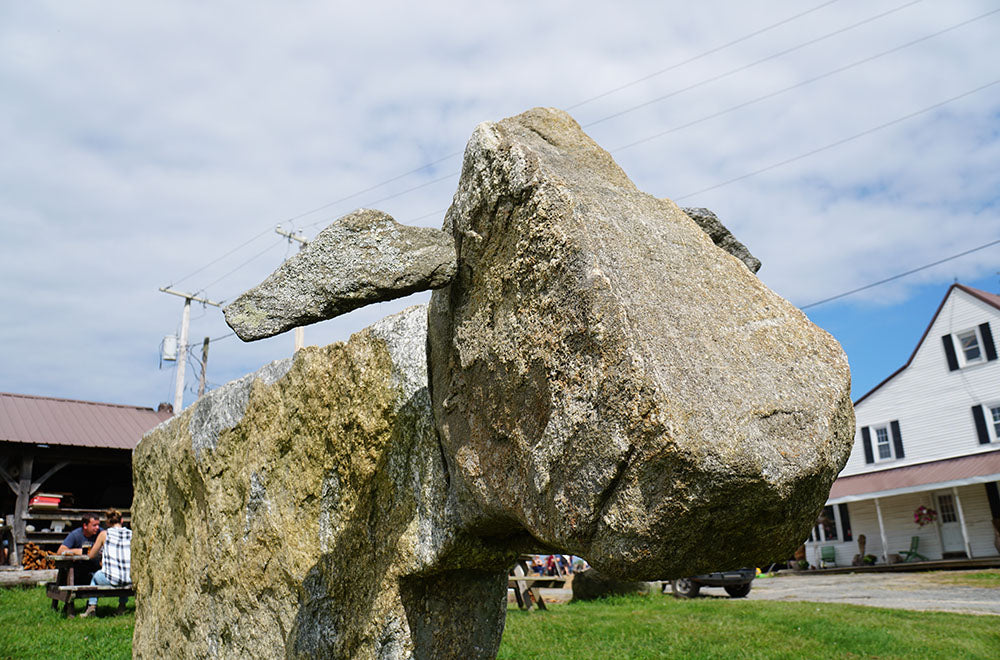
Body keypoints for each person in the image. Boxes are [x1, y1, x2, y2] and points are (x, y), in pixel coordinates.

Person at [79, 509, 131, 618]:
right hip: (129, 579)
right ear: (122, 520)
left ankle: (91, 607)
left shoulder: (104, 534)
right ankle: (122, 606)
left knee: (95, 577)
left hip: (111, 580)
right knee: (124, 573)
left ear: (107, 523)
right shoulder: (131, 534)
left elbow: (91, 555)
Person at [57, 514, 103, 585]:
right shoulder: (75, 535)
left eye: (98, 525)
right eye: (94, 525)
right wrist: (78, 551)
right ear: (85, 526)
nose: (97, 527)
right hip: (80, 570)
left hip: (96, 569)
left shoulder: (101, 533)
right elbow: (60, 551)